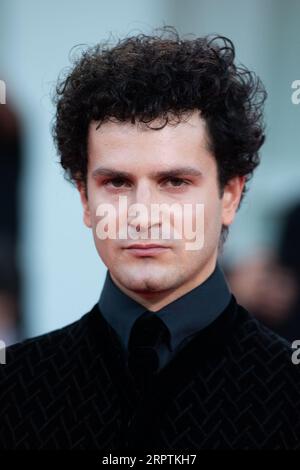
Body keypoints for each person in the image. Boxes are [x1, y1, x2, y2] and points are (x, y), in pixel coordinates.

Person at [1, 25, 300, 450]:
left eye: (175, 182)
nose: (141, 216)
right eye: (117, 183)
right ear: (85, 198)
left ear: (229, 194)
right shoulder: (13, 388)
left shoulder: (289, 396)